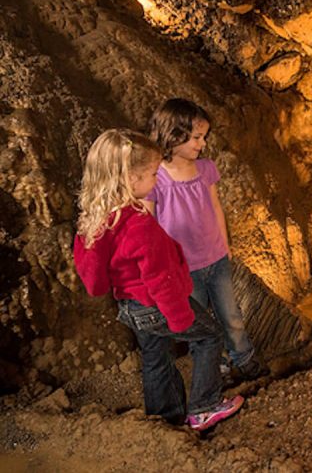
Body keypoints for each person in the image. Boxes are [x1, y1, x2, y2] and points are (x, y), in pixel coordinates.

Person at [73, 129, 244, 431]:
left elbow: (96, 281)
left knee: (156, 357)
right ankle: (204, 407)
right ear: (130, 178)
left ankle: (165, 420)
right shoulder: (139, 225)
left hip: (130, 306)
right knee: (210, 336)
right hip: (157, 305)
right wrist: (179, 317)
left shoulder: (98, 220)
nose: (156, 179)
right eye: (152, 174)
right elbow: (159, 278)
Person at [144, 99, 262, 381]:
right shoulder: (156, 178)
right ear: (173, 135)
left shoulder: (206, 168)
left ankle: (245, 361)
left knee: (231, 316)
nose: (203, 144)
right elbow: (147, 225)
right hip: (184, 267)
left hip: (216, 257)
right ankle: (215, 368)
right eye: (196, 137)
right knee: (200, 324)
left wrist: (225, 244)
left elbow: (216, 207)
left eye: (204, 137)